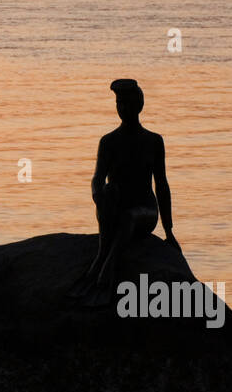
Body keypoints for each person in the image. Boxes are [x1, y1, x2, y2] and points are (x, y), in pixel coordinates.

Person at [73, 79, 178, 298]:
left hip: (144, 211)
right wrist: (98, 196)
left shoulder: (153, 141)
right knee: (109, 191)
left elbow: (162, 185)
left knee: (129, 218)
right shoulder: (108, 142)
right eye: (119, 103)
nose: (123, 108)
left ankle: (107, 264)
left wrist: (168, 231)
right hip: (116, 208)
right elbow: (97, 178)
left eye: (127, 103)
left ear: (139, 105)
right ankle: (103, 252)